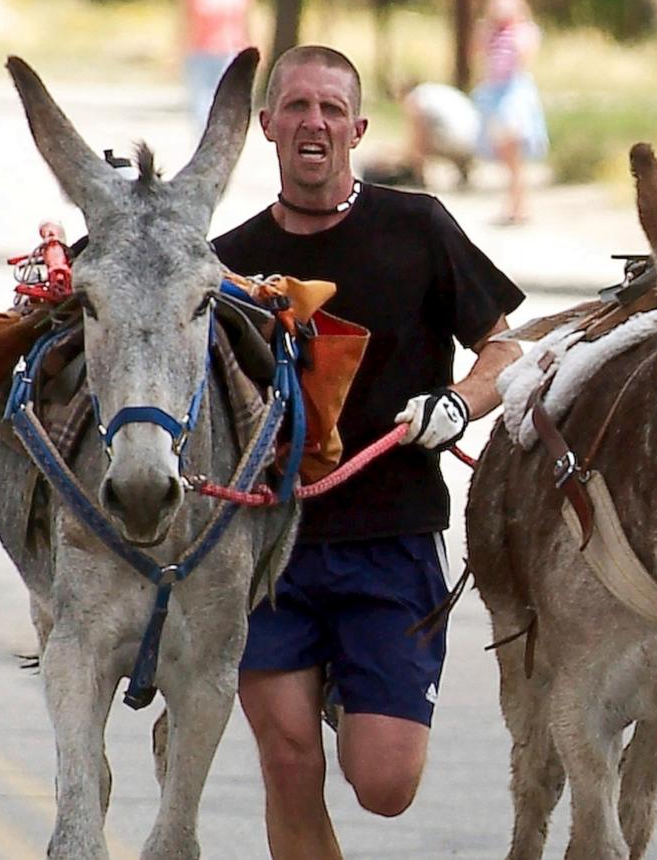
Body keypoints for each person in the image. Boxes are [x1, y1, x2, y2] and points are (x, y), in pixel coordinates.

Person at [212, 45, 524, 859]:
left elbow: (506, 348)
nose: (313, 121)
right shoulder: (229, 264)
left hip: (392, 544)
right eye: (296, 106)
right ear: (268, 125)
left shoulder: (416, 227)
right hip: (270, 551)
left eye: (329, 109)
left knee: (385, 787)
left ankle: (355, 689)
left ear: (357, 127)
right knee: (287, 762)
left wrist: (457, 405)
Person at [472, 0, 547, 225]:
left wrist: (514, 30)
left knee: (513, 149)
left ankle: (520, 203)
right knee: (505, 153)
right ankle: (514, 202)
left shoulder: (523, 31)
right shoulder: (489, 32)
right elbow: (478, 54)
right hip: (494, 92)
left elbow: (526, 56)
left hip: (513, 93)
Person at [179, 0, 254, 134]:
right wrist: (179, 52)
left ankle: (225, 138)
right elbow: (185, 23)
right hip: (200, 53)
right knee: (201, 103)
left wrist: (251, 47)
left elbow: (247, 20)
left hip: (229, 52)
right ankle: (202, 140)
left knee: (227, 101)